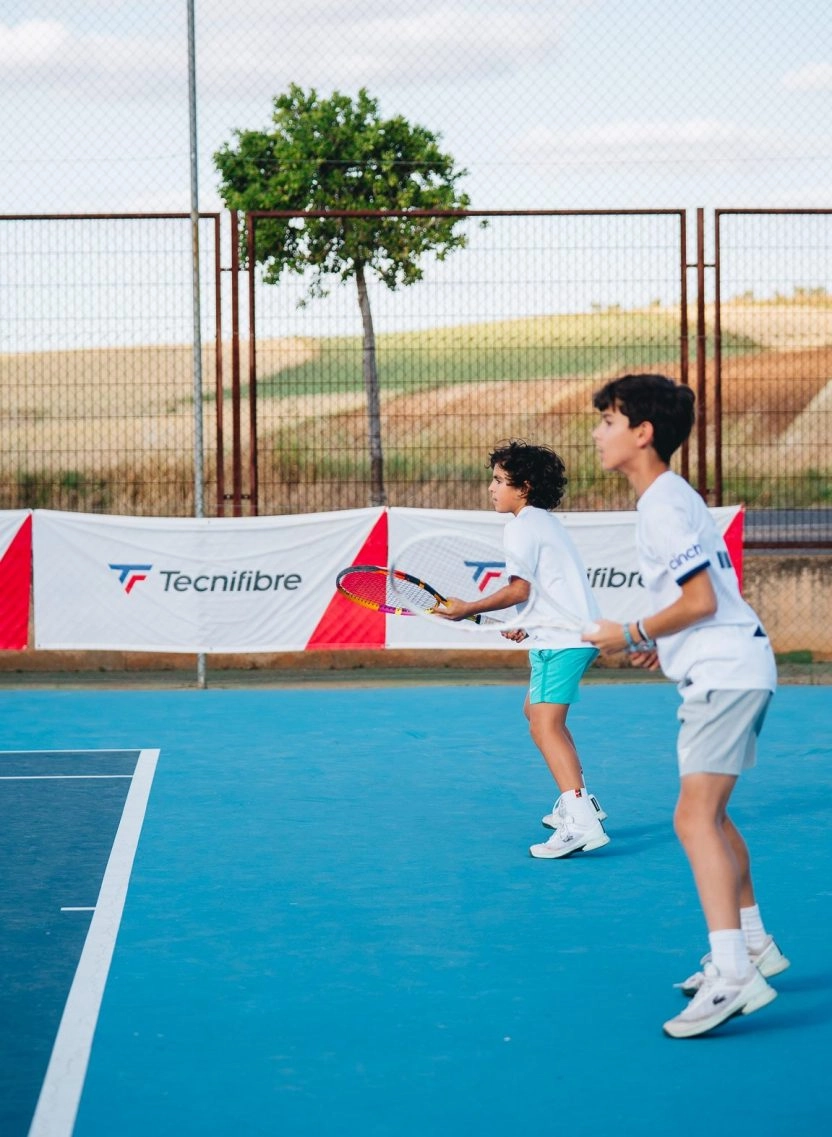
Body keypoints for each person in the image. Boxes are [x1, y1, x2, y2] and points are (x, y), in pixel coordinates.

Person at [582, 373, 787, 1039]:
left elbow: (699, 600)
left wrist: (632, 632)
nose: (598, 432)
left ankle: (732, 974)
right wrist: (658, 642)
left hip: (726, 673)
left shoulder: (662, 504)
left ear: (643, 433)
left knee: (692, 817)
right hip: (732, 666)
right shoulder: (669, 498)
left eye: (608, 421)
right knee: (713, 815)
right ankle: (753, 943)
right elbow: (702, 602)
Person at [437, 440, 609, 859]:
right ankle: (581, 802)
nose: (491, 488)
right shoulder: (542, 522)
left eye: (499, 481)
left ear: (525, 486)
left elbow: (519, 588)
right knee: (535, 713)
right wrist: (524, 623)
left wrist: (468, 608)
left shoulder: (520, 526)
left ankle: (581, 822)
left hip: (562, 640)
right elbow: (546, 588)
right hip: (563, 633)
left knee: (544, 726)